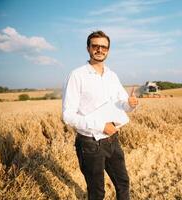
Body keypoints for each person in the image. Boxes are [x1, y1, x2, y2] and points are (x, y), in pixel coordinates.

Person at [62, 30, 138, 200]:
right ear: (88, 48)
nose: (100, 50)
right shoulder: (77, 75)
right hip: (90, 144)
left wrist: (130, 104)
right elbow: (68, 115)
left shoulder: (112, 75)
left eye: (104, 47)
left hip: (112, 140)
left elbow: (122, 103)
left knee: (123, 183)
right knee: (97, 193)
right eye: (95, 46)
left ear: (108, 50)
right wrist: (101, 126)